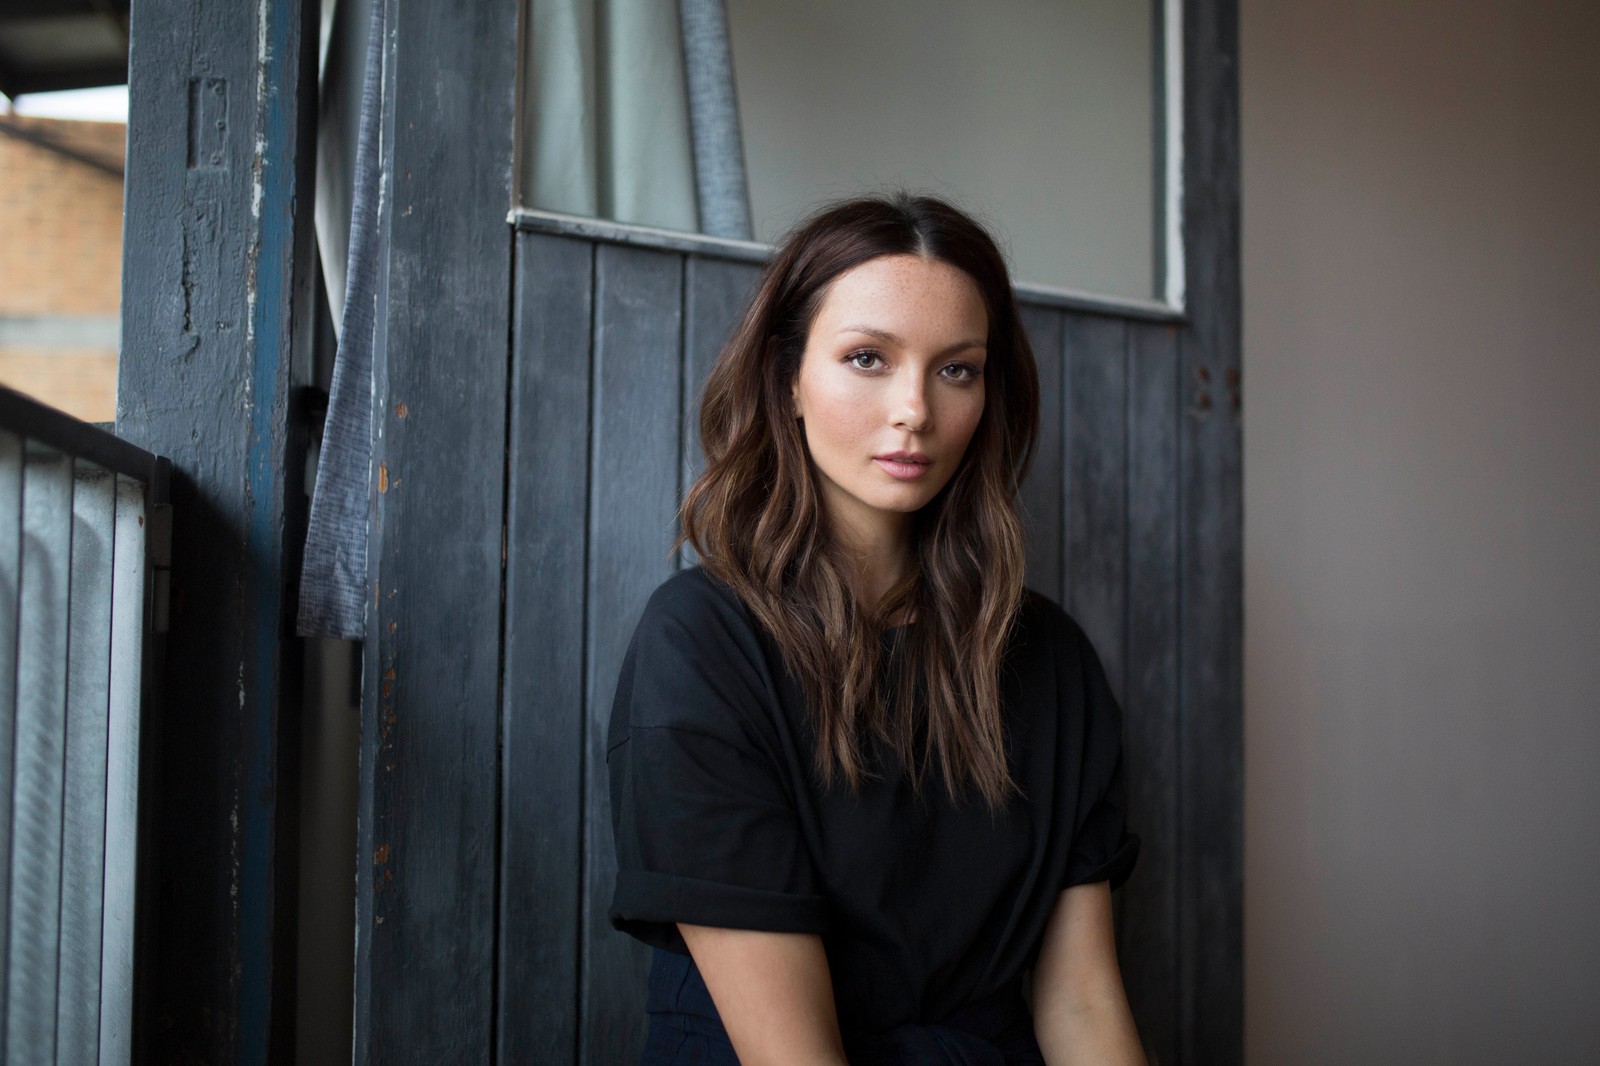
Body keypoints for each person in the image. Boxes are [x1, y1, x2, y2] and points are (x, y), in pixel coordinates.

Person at [607, 193, 1145, 1065]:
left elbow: (1083, 1006)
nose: (915, 411)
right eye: (867, 358)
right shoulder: (703, 644)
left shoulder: (1052, 660)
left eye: (957, 370)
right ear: (788, 378)